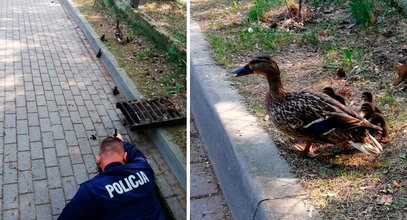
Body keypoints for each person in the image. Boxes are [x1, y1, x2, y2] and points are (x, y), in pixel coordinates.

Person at [58, 134, 167, 220]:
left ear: (98, 160)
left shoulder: (90, 191)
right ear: (125, 156)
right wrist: (121, 141)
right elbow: (137, 154)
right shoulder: (143, 168)